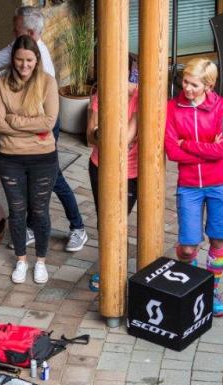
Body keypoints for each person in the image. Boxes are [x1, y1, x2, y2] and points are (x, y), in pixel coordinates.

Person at [0, 6, 87, 253]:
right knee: (29, 180)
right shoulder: (18, 46)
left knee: (54, 180)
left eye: (17, 29)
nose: (13, 32)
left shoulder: (38, 63)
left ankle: (78, 228)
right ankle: (32, 228)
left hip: (42, 127)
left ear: (31, 33)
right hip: (25, 127)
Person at [165, 59, 223, 317]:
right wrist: (205, 149)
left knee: (217, 239)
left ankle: (210, 290)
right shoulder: (172, 108)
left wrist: (187, 144)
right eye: (185, 82)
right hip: (190, 186)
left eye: (194, 84)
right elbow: (172, 151)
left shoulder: (222, 107)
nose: (187, 88)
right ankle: (193, 287)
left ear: (208, 85)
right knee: (187, 248)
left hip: (221, 185)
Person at [0, 35, 59, 285]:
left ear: (37, 59)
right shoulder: (1, 83)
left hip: (43, 159)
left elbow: (49, 122)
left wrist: (15, 120)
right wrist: (34, 128)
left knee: (39, 211)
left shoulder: (48, 83)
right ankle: (21, 260)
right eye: (19, 60)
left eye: (29, 60)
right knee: (17, 212)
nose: (24, 65)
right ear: (13, 60)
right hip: (10, 159)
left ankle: (40, 261)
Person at [86, 53, 140, 290]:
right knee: (105, 221)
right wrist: (101, 135)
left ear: (128, 72)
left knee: (119, 221)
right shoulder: (100, 96)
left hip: (130, 171)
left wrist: (104, 134)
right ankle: (107, 268)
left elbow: (126, 138)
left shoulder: (140, 95)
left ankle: (117, 268)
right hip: (100, 166)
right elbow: (90, 137)